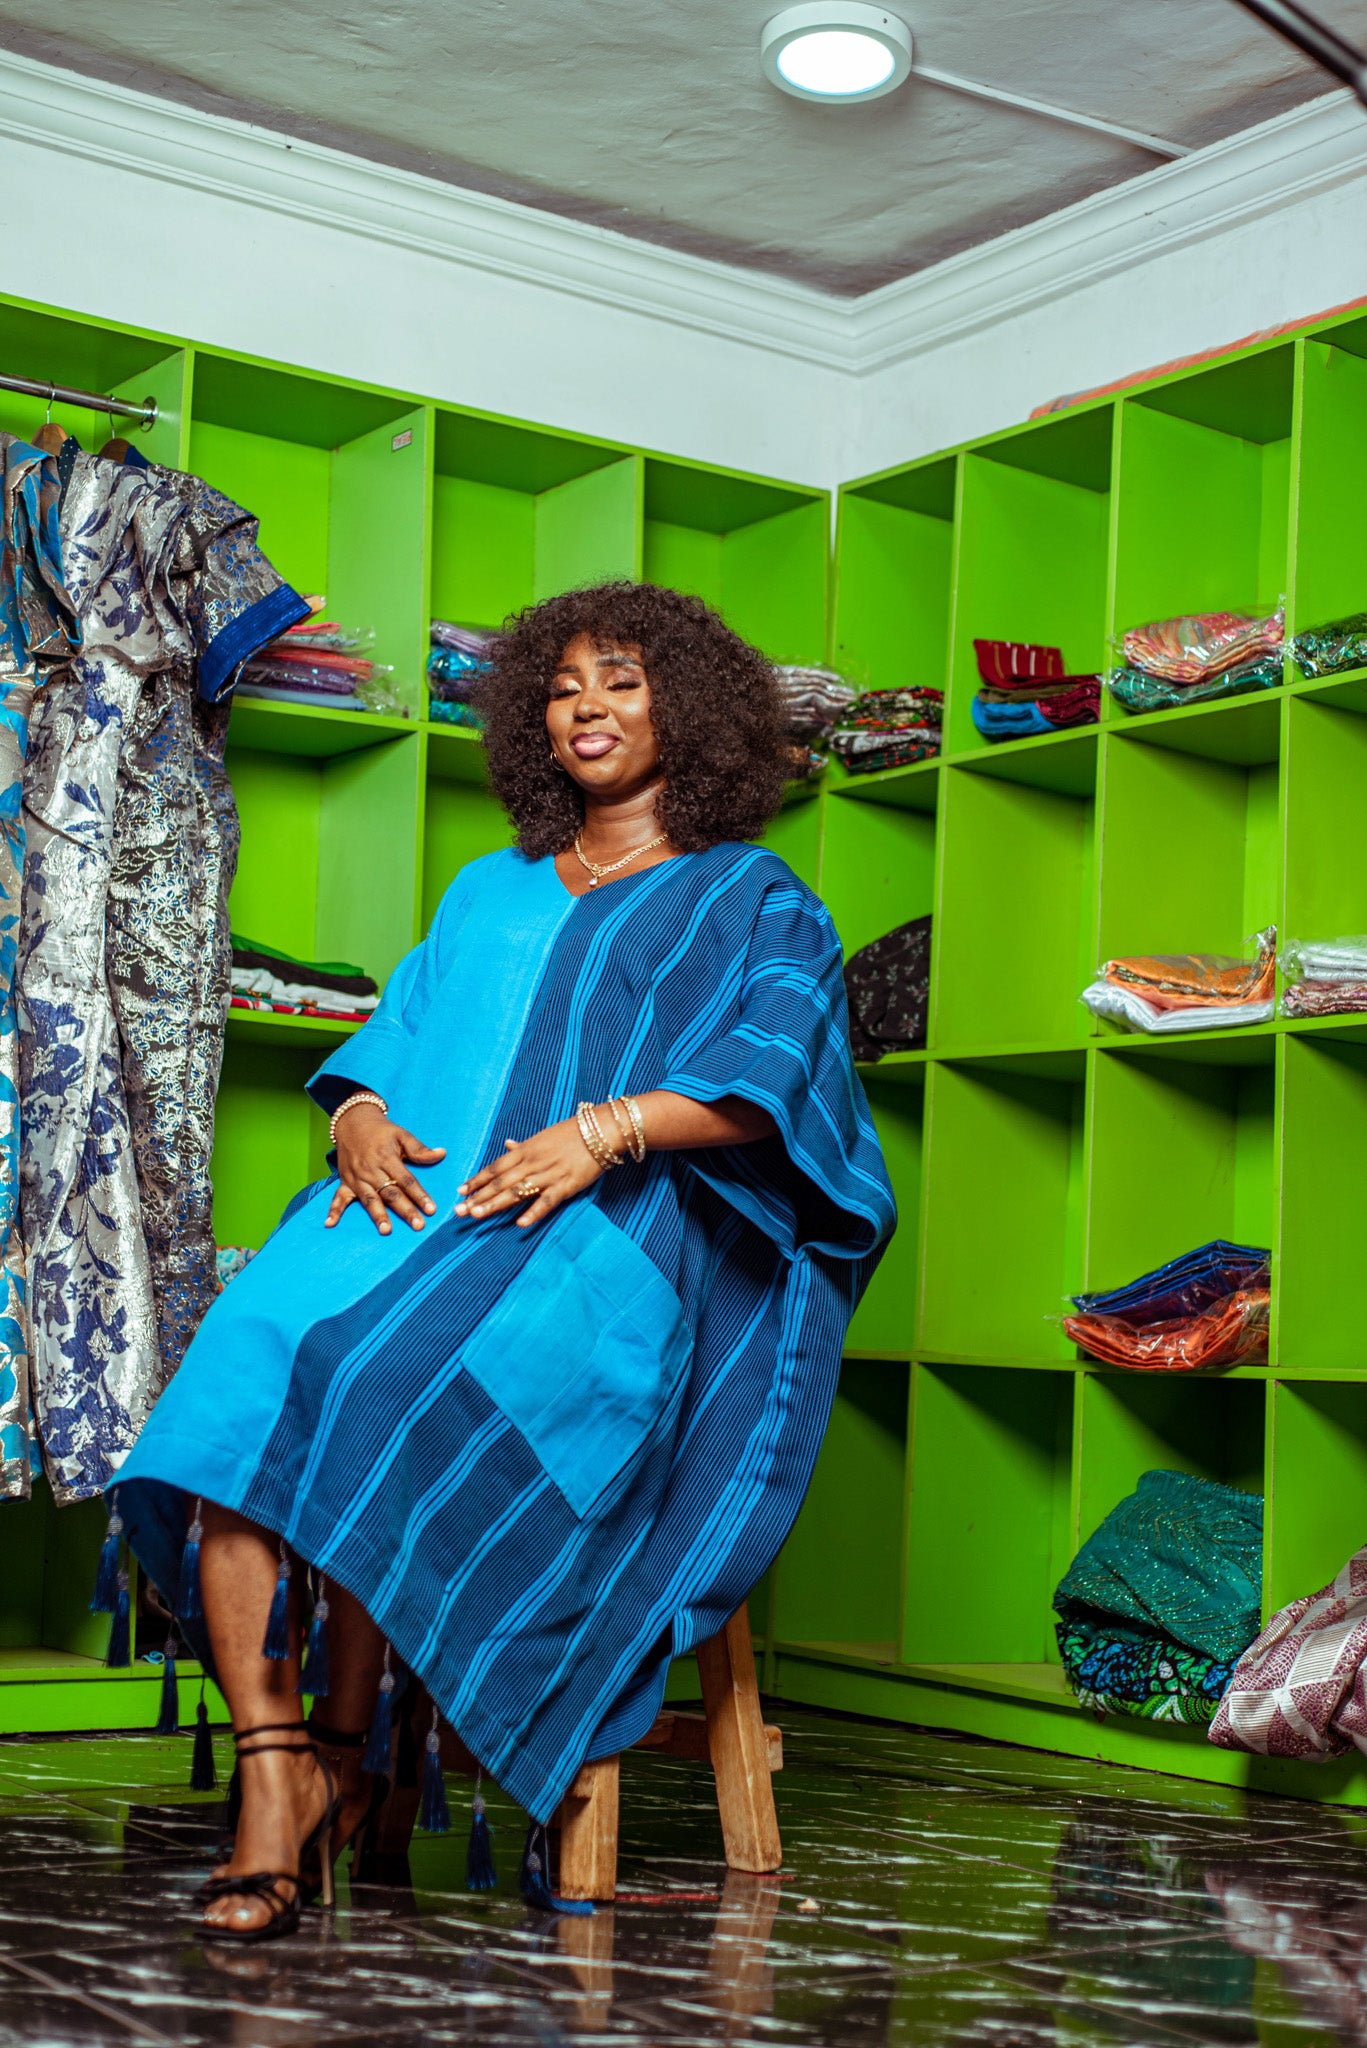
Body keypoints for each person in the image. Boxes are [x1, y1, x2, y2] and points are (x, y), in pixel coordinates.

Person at [113, 581, 895, 1942]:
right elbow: (396, 1033)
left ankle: (344, 1760)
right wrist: (356, 1112)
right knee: (240, 1365)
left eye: (626, 683)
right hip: (409, 1212)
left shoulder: (748, 897)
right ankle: (279, 1765)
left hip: (595, 1245)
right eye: (564, 686)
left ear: (691, 714)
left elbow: (782, 1078)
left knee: (373, 1377)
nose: (588, 708)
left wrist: (603, 1133)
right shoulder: (489, 890)